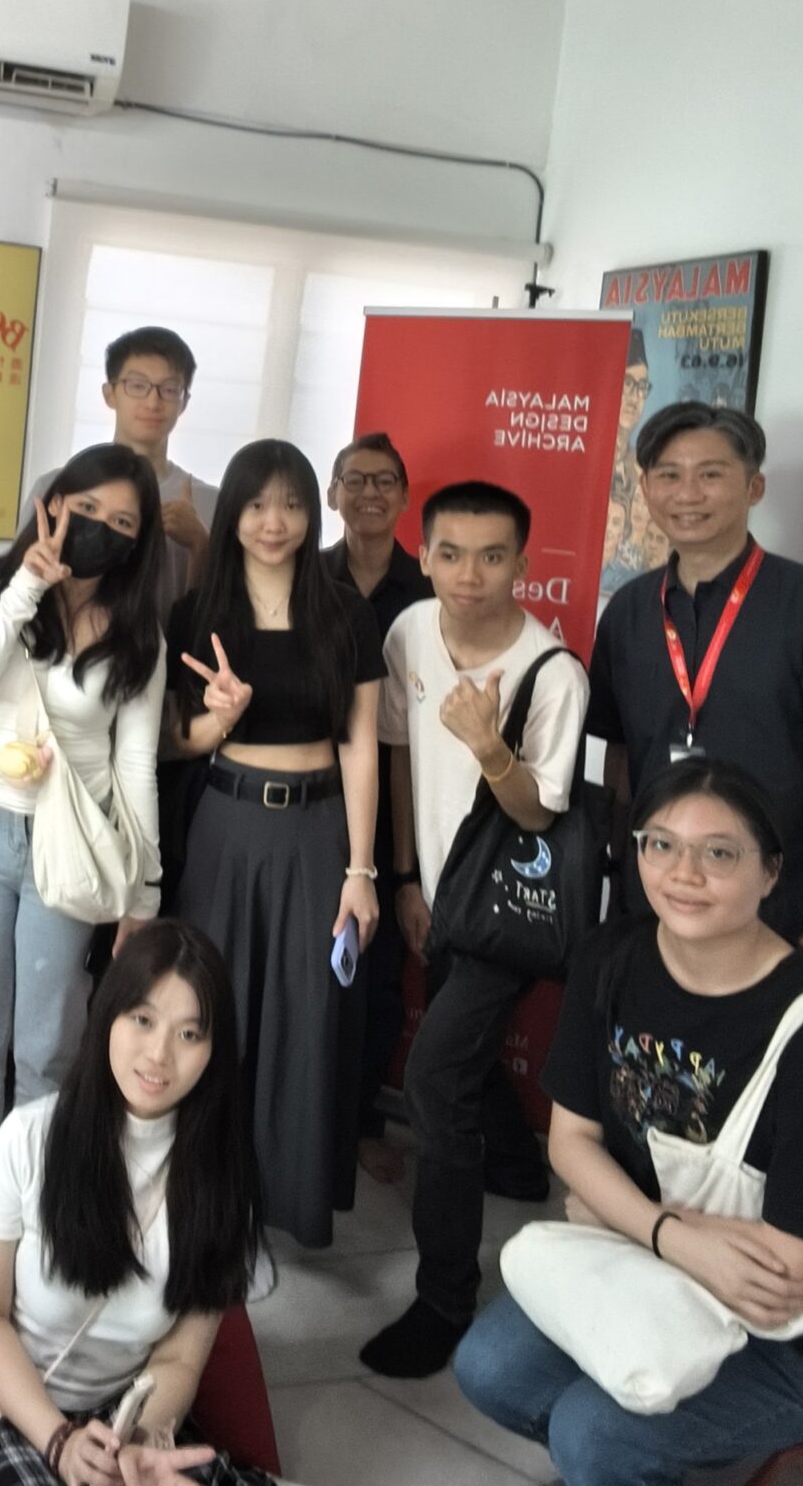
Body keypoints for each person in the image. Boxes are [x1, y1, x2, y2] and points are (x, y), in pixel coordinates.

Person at [455, 759, 803, 1486]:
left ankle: (623, 1456)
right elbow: (571, 1143)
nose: (684, 873)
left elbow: (787, 1276)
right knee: (489, 1366)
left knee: (592, 1434)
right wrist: (665, 1234)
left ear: (770, 872)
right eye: (660, 844)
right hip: (664, 1266)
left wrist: (615, 1213)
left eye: (720, 853)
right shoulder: (610, 960)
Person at [361, 480, 589, 1378]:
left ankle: (445, 1299)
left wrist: (490, 745)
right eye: (450, 553)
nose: (469, 574)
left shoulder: (552, 673)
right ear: (423, 556)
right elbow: (399, 750)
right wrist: (406, 878)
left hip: (506, 911)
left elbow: (538, 813)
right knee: (459, 1048)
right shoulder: (411, 630)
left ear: (522, 565)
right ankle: (519, 1171)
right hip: (438, 892)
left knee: (435, 1078)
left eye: (492, 556)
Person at [0, 919, 273, 1486]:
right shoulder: (30, 1138)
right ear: (108, 1016)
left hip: (122, 1416)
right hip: (6, 1398)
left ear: (214, 1052)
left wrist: (142, 1444)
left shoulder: (223, 1181)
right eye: (143, 1020)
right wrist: (59, 1441)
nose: (159, 1054)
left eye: (189, 1034)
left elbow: (180, 1358)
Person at [168, 439, 382, 1250]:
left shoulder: (344, 613)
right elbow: (173, 739)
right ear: (232, 514)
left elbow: (361, 746)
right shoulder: (199, 613)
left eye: (291, 504)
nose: (274, 521)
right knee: (212, 1006)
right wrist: (219, 720)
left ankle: (281, 1201)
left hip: (317, 832)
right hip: (225, 827)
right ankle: (204, 1194)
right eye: (257, 504)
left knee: (305, 1011)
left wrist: (361, 869)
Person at [588, 402, 803, 982]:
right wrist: (617, 880)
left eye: (710, 474)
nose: (687, 493)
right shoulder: (627, 612)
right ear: (645, 489)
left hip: (778, 916)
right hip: (653, 907)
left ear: (754, 487)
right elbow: (619, 762)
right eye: (669, 474)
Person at [0, 443, 168, 1160]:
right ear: (54, 504)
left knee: (47, 1044)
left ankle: (36, 1192)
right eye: (87, 507)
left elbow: (136, 765)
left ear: (139, 541)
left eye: (122, 522)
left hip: (73, 844)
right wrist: (27, 586)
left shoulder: (138, 635)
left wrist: (144, 893)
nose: (100, 527)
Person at [323, 432, 432, 1184]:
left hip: (397, 811)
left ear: (403, 496)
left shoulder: (429, 592)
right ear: (333, 494)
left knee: (379, 978)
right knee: (307, 972)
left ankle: (359, 1121)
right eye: (355, 479)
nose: (369, 493)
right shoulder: (304, 579)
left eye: (384, 481)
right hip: (307, 803)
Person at [25, 328, 217, 624]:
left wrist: (201, 544)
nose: (152, 402)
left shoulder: (210, 503)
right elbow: (19, 585)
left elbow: (224, 613)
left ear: (184, 401)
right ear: (109, 394)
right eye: (137, 385)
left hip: (173, 650)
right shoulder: (57, 488)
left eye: (169, 389)